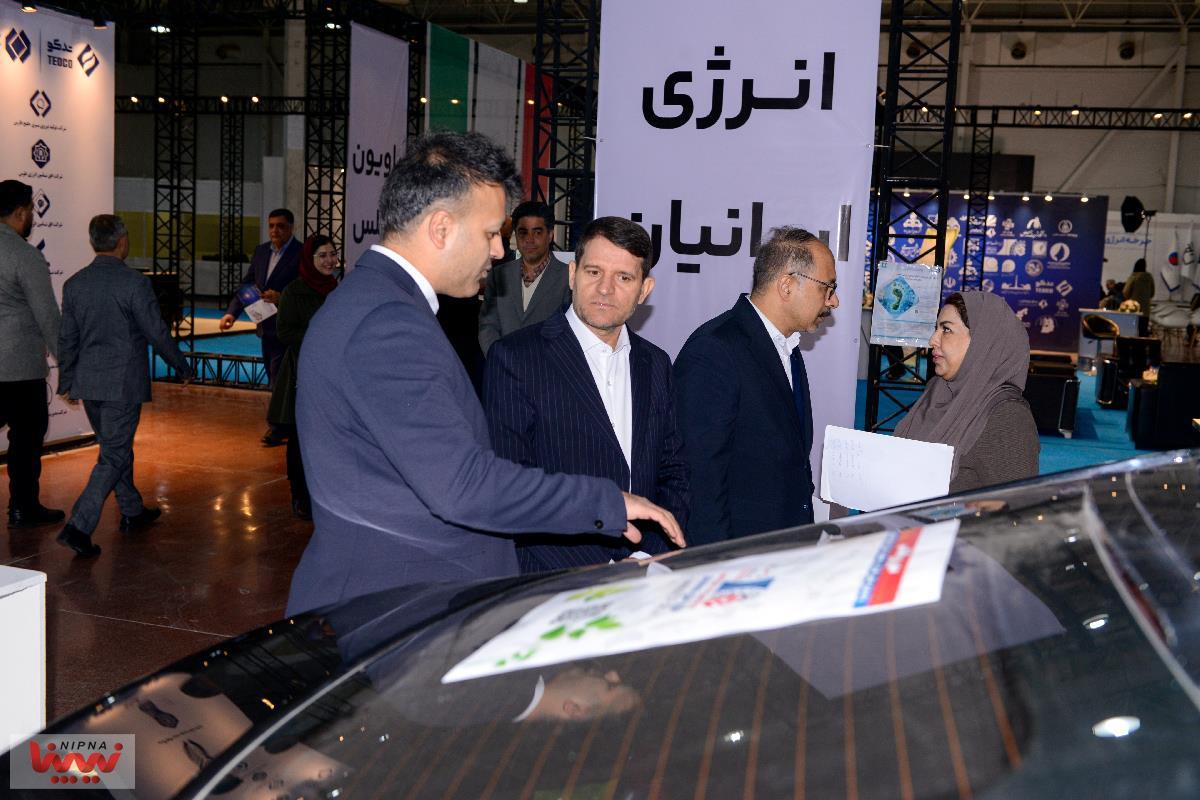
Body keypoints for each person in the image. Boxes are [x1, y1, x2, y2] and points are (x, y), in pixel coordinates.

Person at [285, 131, 683, 616]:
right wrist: (608, 503)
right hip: (393, 605)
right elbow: (464, 485)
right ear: (441, 228)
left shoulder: (376, 305)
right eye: (491, 233)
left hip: (402, 596)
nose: (498, 251)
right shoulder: (387, 323)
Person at [483, 216, 689, 572]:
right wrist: (601, 567)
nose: (605, 289)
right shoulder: (516, 358)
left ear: (644, 289)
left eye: (623, 278)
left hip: (644, 574)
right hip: (553, 577)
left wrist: (644, 556)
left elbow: (674, 472)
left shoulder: (656, 364)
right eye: (594, 272)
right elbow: (511, 484)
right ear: (572, 274)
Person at [674, 227, 838, 545]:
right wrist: (718, 561)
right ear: (787, 285)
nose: (834, 300)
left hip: (783, 549)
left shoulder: (787, 347)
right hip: (736, 555)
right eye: (827, 287)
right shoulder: (715, 349)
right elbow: (699, 477)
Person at [55, 215, 193, 557]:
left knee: (114, 447)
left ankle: (131, 509)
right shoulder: (135, 283)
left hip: (90, 383)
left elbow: (67, 338)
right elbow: (156, 331)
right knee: (114, 454)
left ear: (93, 242)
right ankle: (78, 527)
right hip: (122, 384)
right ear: (122, 241)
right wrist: (181, 366)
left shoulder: (74, 284)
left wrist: (67, 380)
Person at [894, 291, 1039, 494]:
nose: (933, 340)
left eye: (946, 329)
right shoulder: (937, 391)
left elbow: (1018, 504)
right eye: (936, 329)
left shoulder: (1007, 416)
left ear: (982, 342)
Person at [0, 179, 64, 529]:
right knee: (26, 441)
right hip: (19, 368)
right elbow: (47, 317)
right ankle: (22, 508)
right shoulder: (25, 255)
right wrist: (67, 363)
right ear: (21, 212)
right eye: (30, 212)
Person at [266, 234, 338, 521]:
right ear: (309, 259)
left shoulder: (338, 290)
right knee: (300, 437)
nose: (329, 261)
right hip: (303, 375)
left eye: (332, 254)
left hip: (333, 377)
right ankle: (300, 494)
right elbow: (285, 332)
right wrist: (320, 338)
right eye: (322, 255)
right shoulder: (294, 291)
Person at [219, 208, 302, 446]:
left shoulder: (301, 253)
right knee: (274, 377)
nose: (275, 230)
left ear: (291, 228)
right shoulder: (261, 251)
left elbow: (306, 288)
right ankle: (286, 424)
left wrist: (282, 296)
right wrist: (231, 313)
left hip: (288, 328)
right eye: (272, 225)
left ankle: (278, 427)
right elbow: (247, 285)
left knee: (278, 379)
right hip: (265, 326)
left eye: (281, 226)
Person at [478, 200, 571, 356]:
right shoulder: (498, 275)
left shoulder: (569, 278)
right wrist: (500, 360)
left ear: (550, 235)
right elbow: (488, 326)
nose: (529, 239)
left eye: (537, 232)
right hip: (502, 364)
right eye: (523, 232)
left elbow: (568, 333)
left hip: (547, 366)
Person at [1123, 258, 1154, 335]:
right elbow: (1152, 293)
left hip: (1133, 309)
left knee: (1131, 332)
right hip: (1145, 311)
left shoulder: (1134, 276)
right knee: (1142, 333)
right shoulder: (1149, 277)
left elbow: (1125, 292)